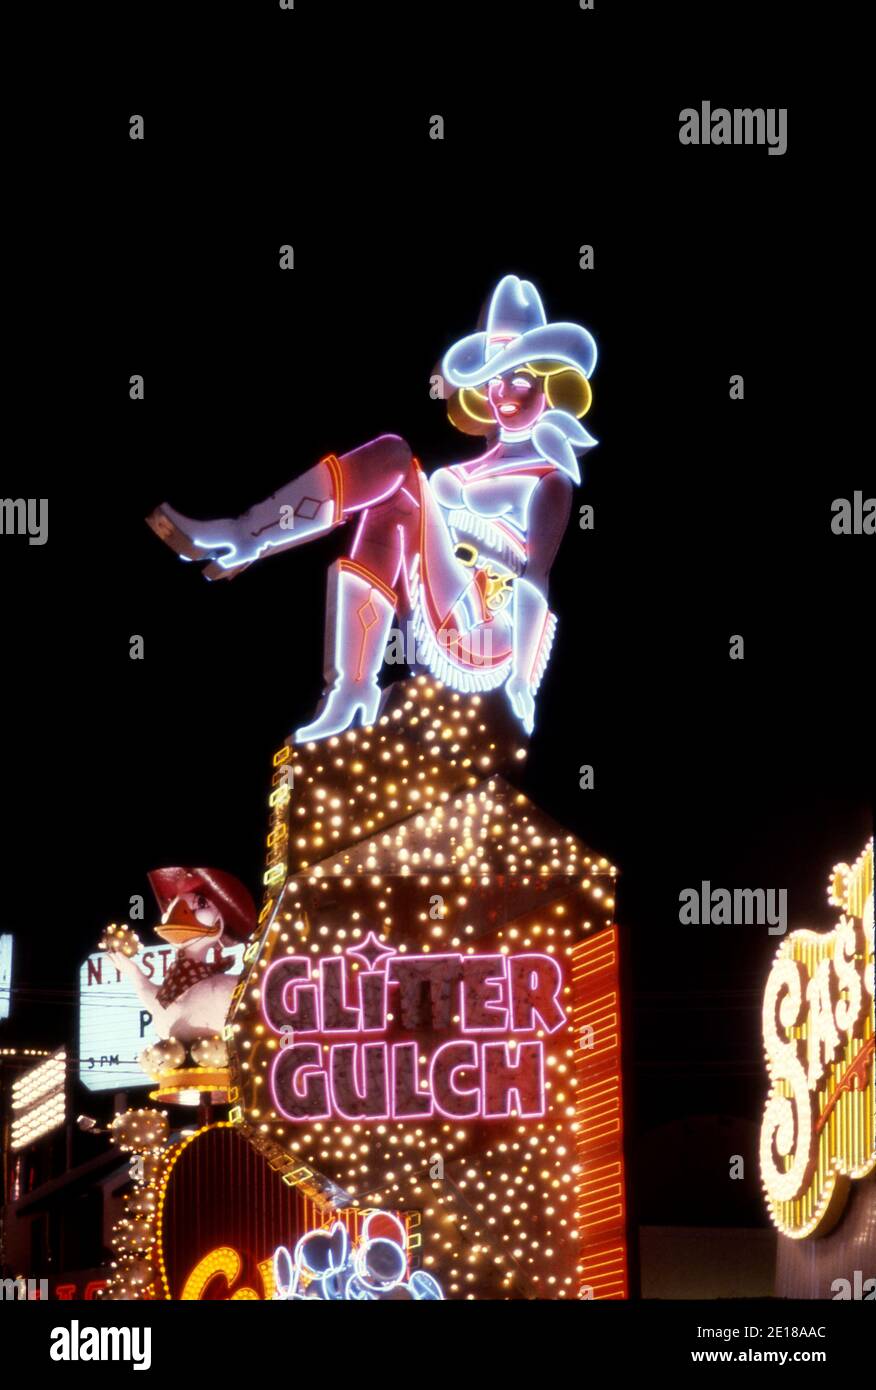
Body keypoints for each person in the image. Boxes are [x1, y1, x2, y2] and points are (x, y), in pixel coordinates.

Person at [147, 275, 597, 741]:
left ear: (550, 386)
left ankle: (245, 537)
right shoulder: (466, 470)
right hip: (431, 608)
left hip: (484, 630)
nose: (503, 392)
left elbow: (535, 579)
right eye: (496, 378)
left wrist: (522, 682)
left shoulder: (549, 480)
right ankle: (352, 690)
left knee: (395, 461)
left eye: (519, 379)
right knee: (391, 500)